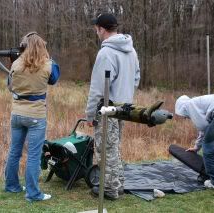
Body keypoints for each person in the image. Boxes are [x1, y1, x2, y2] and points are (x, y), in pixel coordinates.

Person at [85, 13, 140, 200]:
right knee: (114, 147)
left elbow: (98, 89)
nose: (95, 31)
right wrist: (126, 96)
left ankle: (109, 189)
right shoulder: (131, 50)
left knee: (106, 149)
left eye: (96, 28)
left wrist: (90, 114)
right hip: (124, 108)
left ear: (101, 29)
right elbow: (136, 78)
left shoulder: (106, 53)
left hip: (107, 108)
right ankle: (119, 184)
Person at [4, 32, 60, 201]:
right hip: (36, 116)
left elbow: (10, 86)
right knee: (34, 155)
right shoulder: (48, 65)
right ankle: (33, 194)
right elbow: (54, 80)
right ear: (42, 47)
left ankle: (11, 185)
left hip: (17, 114)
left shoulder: (15, 64)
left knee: (14, 151)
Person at [175, 94, 214, 189]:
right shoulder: (197, 102)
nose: (185, 117)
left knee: (209, 151)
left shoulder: (189, 105)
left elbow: (203, 127)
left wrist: (198, 145)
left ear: (181, 108)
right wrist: (196, 147)